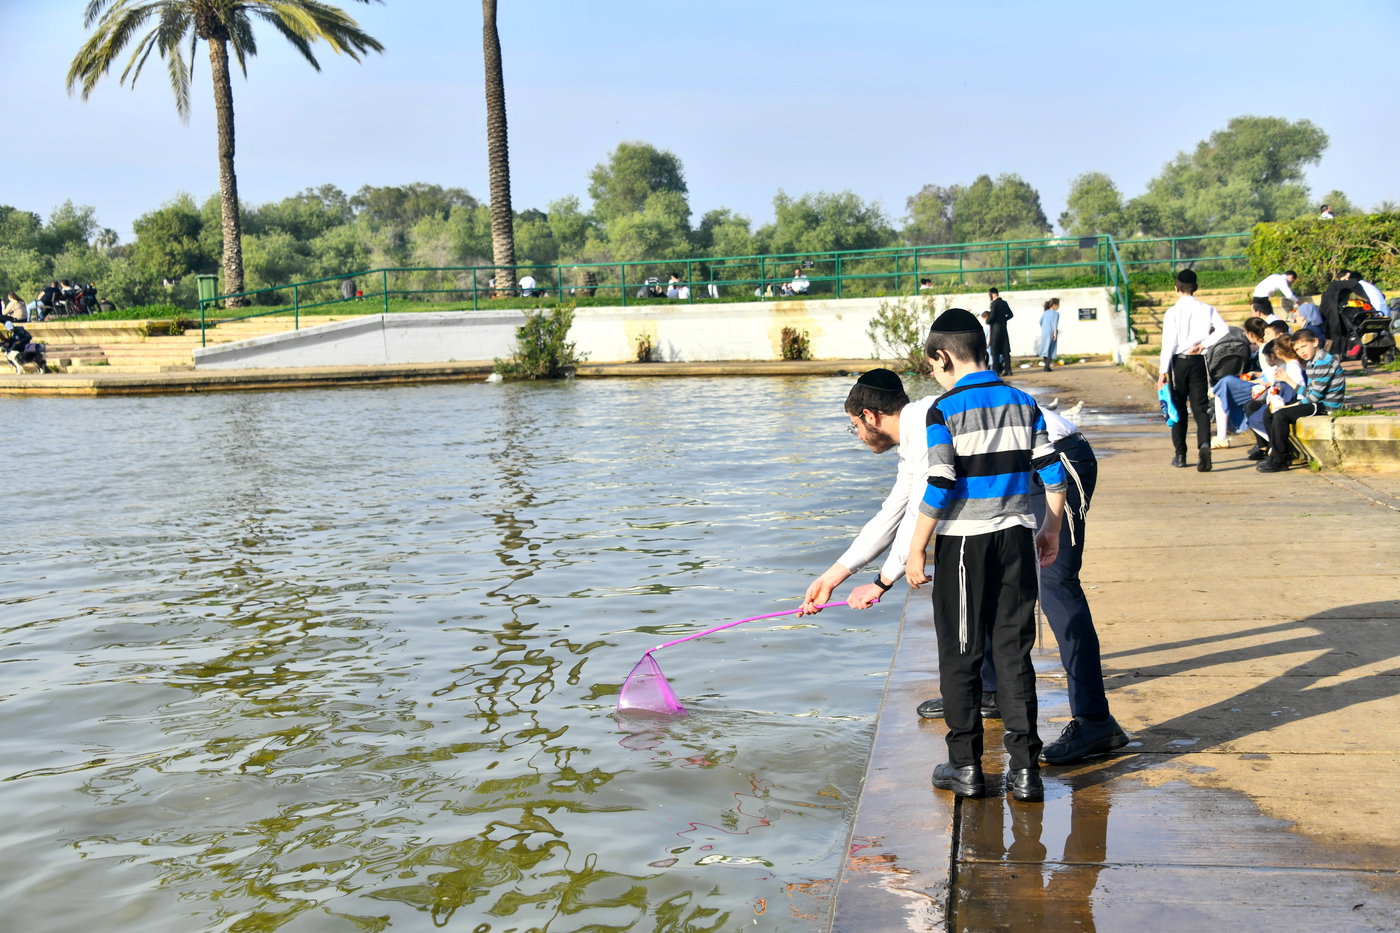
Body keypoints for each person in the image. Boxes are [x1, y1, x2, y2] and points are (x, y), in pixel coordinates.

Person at [798, 367, 1125, 768]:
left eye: (854, 427)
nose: (858, 437)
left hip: (1056, 460)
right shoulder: (915, 433)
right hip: (1018, 466)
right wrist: (833, 576)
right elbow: (892, 514)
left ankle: (1095, 720)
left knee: (1056, 587)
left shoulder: (935, 419)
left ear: (870, 415)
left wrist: (882, 583)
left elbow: (922, 515)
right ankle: (987, 690)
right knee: (986, 576)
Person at [906, 308, 1068, 803]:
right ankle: (1024, 771)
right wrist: (1051, 527)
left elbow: (939, 483)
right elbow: (1052, 472)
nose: (934, 373)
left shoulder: (944, 409)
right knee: (1013, 652)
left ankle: (967, 767)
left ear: (943, 356)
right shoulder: (1024, 401)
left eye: (932, 364)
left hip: (962, 545)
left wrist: (917, 547)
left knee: (961, 654)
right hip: (1017, 537)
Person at [1157, 269, 1227, 471]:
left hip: (1178, 363)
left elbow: (1168, 343)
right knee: (1201, 408)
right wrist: (1204, 344)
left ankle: (1180, 455)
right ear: (1195, 287)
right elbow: (1223, 330)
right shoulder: (1207, 308)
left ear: (1176, 288)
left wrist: (1163, 372)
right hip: (1198, 360)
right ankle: (1204, 445)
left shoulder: (1172, 312)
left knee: (1177, 409)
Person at [1257, 328, 1345, 473]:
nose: (1301, 351)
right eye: (1297, 349)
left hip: (1326, 406)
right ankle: (1274, 455)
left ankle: (1281, 460)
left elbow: (1314, 397)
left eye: (1304, 346)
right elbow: (1309, 393)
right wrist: (1287, 380)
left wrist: (1292, 406)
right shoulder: (1311, 363)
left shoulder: (1324, 361)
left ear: (1315, 342)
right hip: (1316, 403)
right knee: (1269, 413)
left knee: (1281, 415)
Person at [987, 287, 1014, 376]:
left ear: (992, 294)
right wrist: (1003, 320)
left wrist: (988, 321)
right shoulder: (1004, 303)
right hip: (1003, 328)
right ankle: (1008, 370)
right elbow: (1010, 314)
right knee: (1005, 350)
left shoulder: (994, 304)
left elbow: (992, 316)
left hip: (995, 329)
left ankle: (996, 371)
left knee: (995, 351)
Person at [1038, 298, 1060, 372]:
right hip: (1051, 332)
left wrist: (1044, 328)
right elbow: (1055, 324)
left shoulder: (1045, 312)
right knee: (1051, 349)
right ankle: (1047, 366)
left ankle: (1046, 365)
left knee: (1045, 349)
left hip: (1044, 332)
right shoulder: (1056, 314)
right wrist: (1055, 334)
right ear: (1054, 305)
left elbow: (1040, 321)